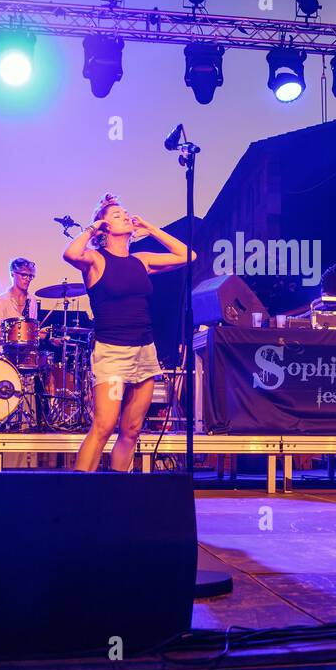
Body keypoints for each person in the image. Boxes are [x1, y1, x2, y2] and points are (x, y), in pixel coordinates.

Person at [62, 194, 195, 471]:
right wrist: (92, 227)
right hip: (112, 352)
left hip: (145, 351)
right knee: (104, 425)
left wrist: (150, 227)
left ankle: (117, 490)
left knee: (132, 429)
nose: (124, 215)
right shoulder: (96, 260)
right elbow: (70, 254)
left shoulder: (141, 260)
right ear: (104, 227)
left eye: (126, 212)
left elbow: (188, 255)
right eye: (116, 214)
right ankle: (76, 494)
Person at [0, 257, 37, 337]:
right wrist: (16, 330)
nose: (28, 279)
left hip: (26, 349)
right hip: (3, 348)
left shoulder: (32, 300)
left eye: (30, 276)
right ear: (13, 273)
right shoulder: (1, 301)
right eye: (24, 275)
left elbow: (31, 331)